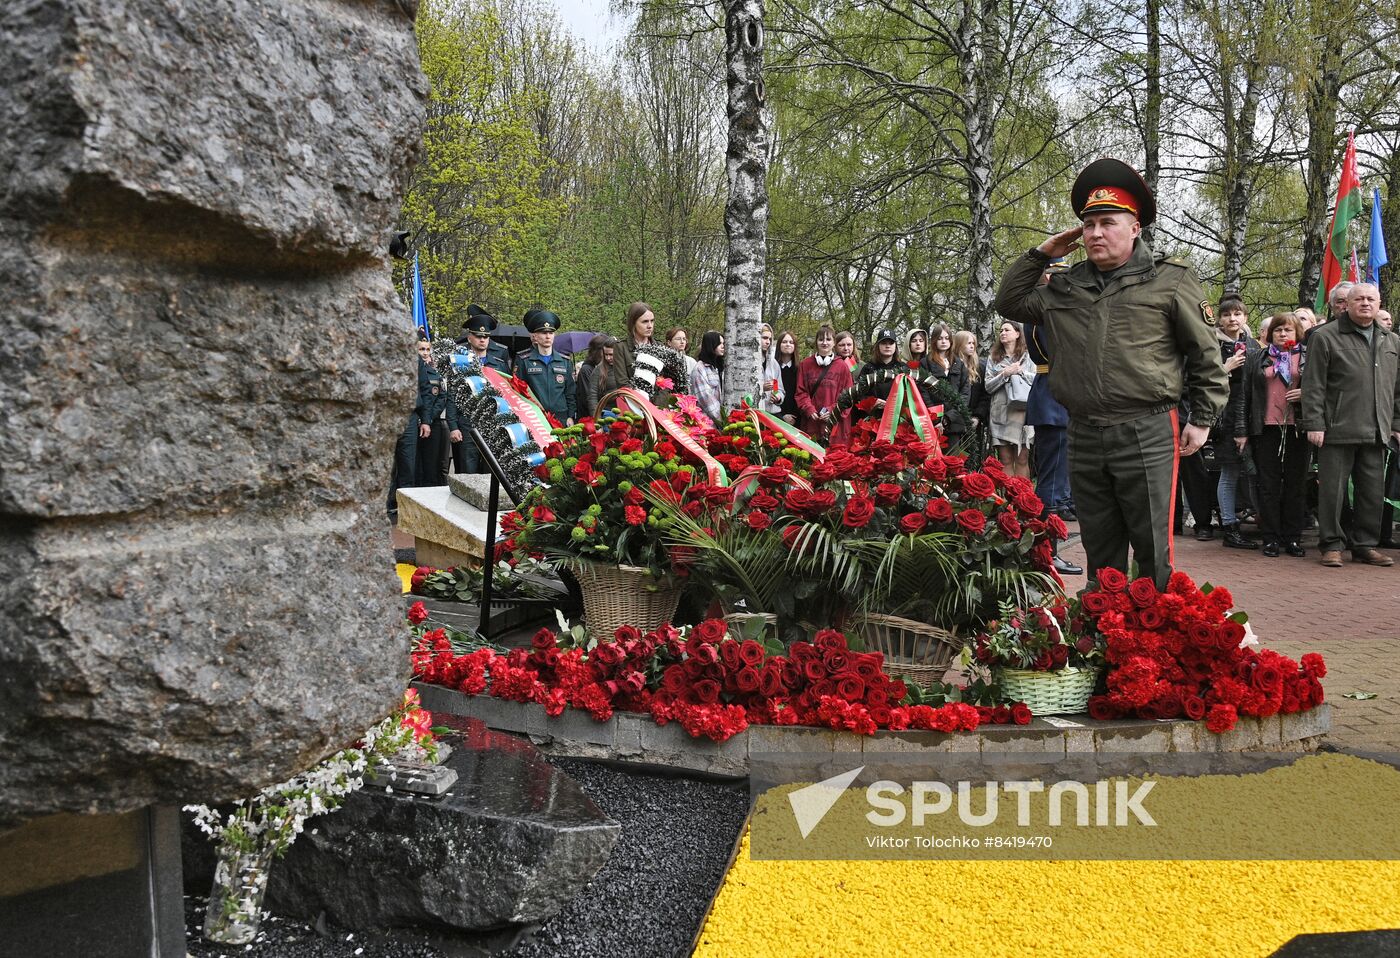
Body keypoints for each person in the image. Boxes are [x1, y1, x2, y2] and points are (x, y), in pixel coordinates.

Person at [993, 156, 1228, 589]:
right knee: (1100, 543)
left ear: (1135, 227)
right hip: (1082, 429)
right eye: (1088, 225)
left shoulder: (1170, 280)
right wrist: (1042, 253)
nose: (1096, 233)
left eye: (1107, 222)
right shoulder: (1065, 285)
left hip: (1148, 426)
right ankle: (1105, 634)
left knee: (1153, 544)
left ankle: (1154, 638)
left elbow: (1205, 355)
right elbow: (1008, 302)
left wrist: (1202, 418)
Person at [1300, 282, 1400, 567]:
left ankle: (1365, 545)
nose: (1365, 303)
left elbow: (1397, 389)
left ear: (1379, 303)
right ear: (1347, 304)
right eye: (1359, 299)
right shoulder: (1326, 336)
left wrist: (1396, 423)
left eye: (1371, 299)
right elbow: (1314, 384)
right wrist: (1314, 423)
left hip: (1377, 429)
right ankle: (1331, 544)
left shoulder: (1391, 340)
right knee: (1332, 491)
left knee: (1372, 492)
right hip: (1336, 428)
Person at [1242, 312, 1308, 557]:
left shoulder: (1307, 356)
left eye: (1288, 330)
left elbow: (1324, 388)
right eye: (1278, 330)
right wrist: (1242, 431)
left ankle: (1292, 537)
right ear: (1271, 334)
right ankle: (1270, 537)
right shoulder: (1258, 357)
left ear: (1297, 333)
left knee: (1295, 484)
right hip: (1266, 427)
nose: (1282, 334)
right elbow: (1244, 396)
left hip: (1297, 427)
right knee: (1268, 484)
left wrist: (1305, 393)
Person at [1027, 262, 1074, 522]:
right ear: (1047, 277)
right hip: (1052, 394)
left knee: (1060, 467)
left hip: (1055, 392)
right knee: (1052, 471)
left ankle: (1056, 509)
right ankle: (1047, 527)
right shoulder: (1042, 310)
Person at [1213, 295, 1261, 550]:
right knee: (1229, 472)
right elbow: (1200, 378)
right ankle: (1229, 527)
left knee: (1255, 471)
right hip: (1226, 415)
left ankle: (1261, 519)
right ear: (1219, 320)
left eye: (1237, 314)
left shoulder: (1253, 344)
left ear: (1245, 317)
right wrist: (1225, 367)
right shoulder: (1212, 344)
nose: (1232, 319)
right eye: (1227, 315)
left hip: (1252, 414)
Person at [451, 305, 512, 474]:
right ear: (469, 338)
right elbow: (453, 396)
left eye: (485, 336)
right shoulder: (461, 364)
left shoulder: (498, 364)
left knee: (491, 473)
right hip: (468, 423)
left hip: (493, 423)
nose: (482, 340)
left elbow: (507, 395)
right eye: (478, 336)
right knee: (467, 472)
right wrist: (453, 425)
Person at [836, 329, 938, 424]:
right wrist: (872, 402)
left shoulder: (903, 368)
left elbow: (913, 395)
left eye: (891, 343)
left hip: (899, 419)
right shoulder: (868, 368)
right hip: (873, 419)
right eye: (884, 343)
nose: (887, 346)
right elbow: (859, 394)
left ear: (895, 346)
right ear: (878, 346)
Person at [984, 320, 1035, 478]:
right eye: (1001, 331)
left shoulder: (1029, 355)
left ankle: (1023, 500)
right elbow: (988, 386)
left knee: (1022, 458)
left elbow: (1037, 380)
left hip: (1023, 413)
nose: (1003, 333)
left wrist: (1019, 372)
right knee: (1005, 459)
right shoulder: (994, 358)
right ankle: (1009, 501)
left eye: (1007, 330)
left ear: (1018, 333)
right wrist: (1004, 374)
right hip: (1000, 413)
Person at [516, 308, 576, 425]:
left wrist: (570, 415)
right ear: (536, 336)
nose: (548, 336)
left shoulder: (564, 361)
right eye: (544, 333)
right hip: (535, 417)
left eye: (551, 333)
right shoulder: (524, 360)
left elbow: (570, 392)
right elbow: (519, 391)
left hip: (561, 418)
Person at [796, 325, 854, 444]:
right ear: (816, 342)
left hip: (836, 426)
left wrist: (832, 410)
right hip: (811, 424)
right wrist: (809, 409)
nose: (824, 343)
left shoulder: (842, 367)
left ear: (834, 343)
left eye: (828, 339)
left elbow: (848, 396)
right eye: (821, 339)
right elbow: (801, 392)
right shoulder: (805, 365)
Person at [414, 333, 459, 487]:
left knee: (439, 465)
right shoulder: (418, 370)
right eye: (421, 349)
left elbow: (442, 397)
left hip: (433, 422)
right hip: (418, 422)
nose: (425, 353)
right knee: (423, 466)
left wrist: (428, 418)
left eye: (427, 349)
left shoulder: (437, 372)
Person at [924, 323, 970, 446]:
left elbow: (964, 393)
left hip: (954, 422)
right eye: (939, 338)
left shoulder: (958, 363)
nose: (943, 341)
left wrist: (948, 418)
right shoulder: (926, 363)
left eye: (946, 338)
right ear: (934, 341)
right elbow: (923, 392)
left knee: (953, 460)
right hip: (931, 421)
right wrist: (936, 418)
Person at [602, 301, 657, 396]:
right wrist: (642, 401)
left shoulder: (659, 348)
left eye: (652, 321)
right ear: (633, 323)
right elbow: (622, 383)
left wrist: (657, 406)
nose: (650, 326)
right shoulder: (621, 348)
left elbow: (665, 384)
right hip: (633, 403)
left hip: (658, 407)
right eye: (645, 321)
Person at [954, 329, 988, 458]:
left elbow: (986, 394)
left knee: (972, 456)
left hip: (974, 419)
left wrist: (978, 416)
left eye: (973, 343)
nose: (972, 346)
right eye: (968, 343)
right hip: (955, 418)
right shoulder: (952, 365)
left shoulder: (980, 367)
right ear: (959, 344)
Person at [575, 334, 616, 420]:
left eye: (611, 354)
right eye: (606, 354)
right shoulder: (589, 370)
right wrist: (597, 419)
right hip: (601, 413)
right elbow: (590, 397)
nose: (608, 358)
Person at [692, 331, 726, 421]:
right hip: (707, 421)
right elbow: (705, 397)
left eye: (723, 343)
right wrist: (723, 419)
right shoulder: (700, 369)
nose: (723, 346)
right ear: (711, 345)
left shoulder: (719, 367)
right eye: (719, 344)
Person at [758, 324, 785, 415]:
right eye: (764, 338)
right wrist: (761, 388)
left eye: (769, 339)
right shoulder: (748, 363)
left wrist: (777, 397)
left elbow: (778, 388)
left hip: (773, 412)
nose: (768, 342)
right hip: (755, 412)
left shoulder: (773, 363)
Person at [775, 330, 801, 424]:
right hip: (776, 417)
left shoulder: (800, 369)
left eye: (791, 342)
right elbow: (774, 393)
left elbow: (802, 394)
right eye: (784, 342)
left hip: (797, 419)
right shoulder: (773, 368)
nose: (788, 344)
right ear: (779, 345)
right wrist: (782, 416)